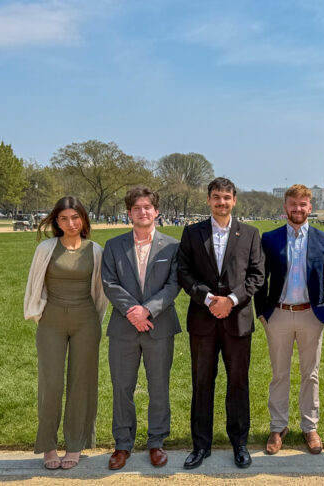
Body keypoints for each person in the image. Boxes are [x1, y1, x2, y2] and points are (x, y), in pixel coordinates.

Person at [177, 177, 265, 470]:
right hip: (203, 319)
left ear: (234, 200)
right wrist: (207, 299)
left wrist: (231, 300)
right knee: (202, 383)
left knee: (238, 383)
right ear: (208, 200)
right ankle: (201, 445)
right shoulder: (192, 233)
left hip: (237, 320)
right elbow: (184, 272)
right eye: (216, 197)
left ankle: (239, 443)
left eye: (226, 197)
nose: (221, 202)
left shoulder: (250, 234)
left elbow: (256, 275)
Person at [23, 196, 108, 470]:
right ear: (56, 221)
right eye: (64, 218)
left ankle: (75, 445)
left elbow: (100, 293)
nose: (70, 223)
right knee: (52, 385)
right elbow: (34, 285)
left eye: (75, 217)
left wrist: (93, 320)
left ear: (83, 219)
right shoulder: (46, 248)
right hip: (51, 321)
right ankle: (48, 445)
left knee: (81, 384)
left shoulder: (96, 250)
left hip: (86, 320)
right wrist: (38, 313)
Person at [254, 184, 324, 455]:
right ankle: (278, 427)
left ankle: (309, 426)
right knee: (279, 374)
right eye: (293, 203)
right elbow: (258, 279)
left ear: (310, 208)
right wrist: (263, 313)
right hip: (278, 314)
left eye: (303, 204)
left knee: (309, 374)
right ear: (285, 207)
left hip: (311, 315)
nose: (298, 209)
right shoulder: (270, 238)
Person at [101, 187, 181, 470]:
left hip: (159, 327)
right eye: (137, 208)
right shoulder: (113, 245)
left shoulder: (171, 246)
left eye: (147, 207)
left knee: (159, 387)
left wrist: (148, 309)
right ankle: (122, 444)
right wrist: (133, 312)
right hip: (123, 329)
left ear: (156, 211)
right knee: (122, 388)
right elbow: (109, 283)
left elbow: (174, 285)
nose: (143, 212)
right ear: (129, 213)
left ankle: (156, 442)